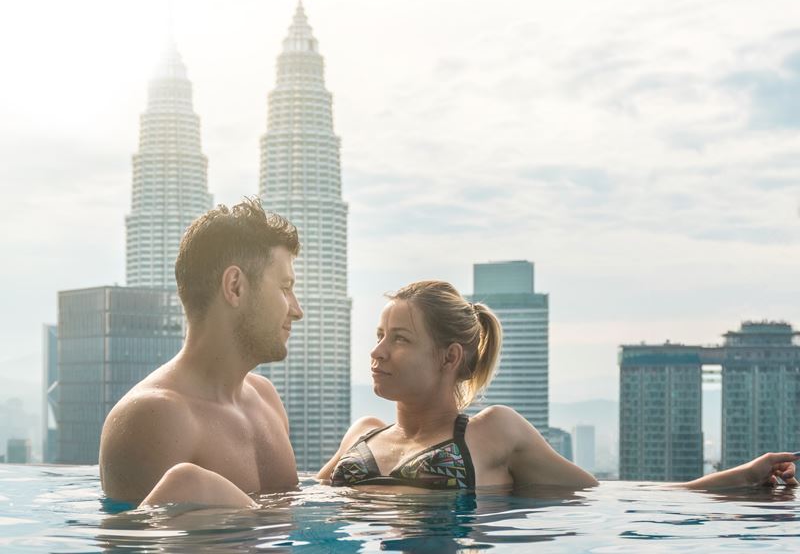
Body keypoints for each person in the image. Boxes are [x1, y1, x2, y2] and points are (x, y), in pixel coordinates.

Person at [138, 280, 798, 507]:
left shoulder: (492, 434)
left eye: (398, 339)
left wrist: (733, 480)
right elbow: (303, 507)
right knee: (184, 485)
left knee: (185, 489)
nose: (377, 351)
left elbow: (603, 498)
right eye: (377, 335)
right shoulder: (363, 432)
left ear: (448, 356)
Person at [99, 198, 303, 506]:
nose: (297, 310)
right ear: (235, 286)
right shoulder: (155, 418)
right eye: (285, 288)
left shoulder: (265, 398)